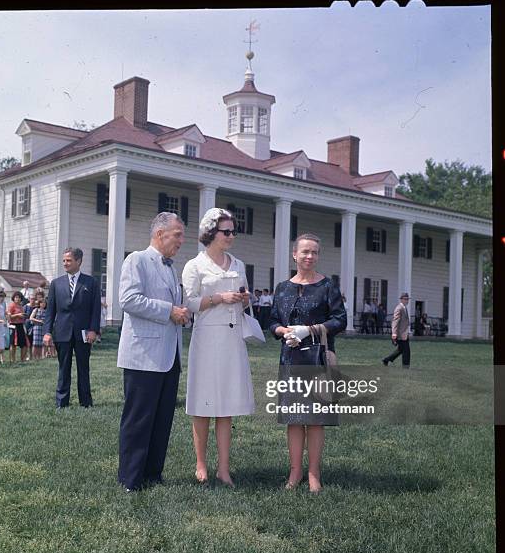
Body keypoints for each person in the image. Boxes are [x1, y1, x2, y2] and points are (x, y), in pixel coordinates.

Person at [269, 233, 347, 493]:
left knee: (314, 419)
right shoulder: (282, 288)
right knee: (293, 419)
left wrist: (309, 330)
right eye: (305, 252)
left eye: (314, 252)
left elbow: (340, 321)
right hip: (290, 358)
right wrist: (284, 332)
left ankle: (314, 473)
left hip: (317, 359)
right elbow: (271, 321)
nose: (309, 256)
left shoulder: (327, 286)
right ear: (294, 255)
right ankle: (295, 472)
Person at [182, 208, 254, 487]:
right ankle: (201, 464)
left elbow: (245, 297)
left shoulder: (238, 264)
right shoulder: (195, 265)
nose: (231, 236)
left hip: (232, 338)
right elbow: (189, 303)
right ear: (211, 233)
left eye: (233, 231)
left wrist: (242, 299)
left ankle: (224, 469)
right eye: (227, 232)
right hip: (207, 338)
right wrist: (219, 298)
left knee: (227, 406)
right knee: (203, 404)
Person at [117, 212, 188, 492]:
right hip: (143, 355)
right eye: (177, 234)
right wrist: (169, 311)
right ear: (160, 234)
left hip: (169, 356)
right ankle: (130, 479)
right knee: (139, 419)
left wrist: (181, 314)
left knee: (162, 419)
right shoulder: (136, 260)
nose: (182, 240)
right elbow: (129, 300)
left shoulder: (170, 268)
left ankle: (153, 475)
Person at [43, 248, 101, 408]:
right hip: (62, 333)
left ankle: (86, 402)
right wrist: (47, 332)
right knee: (63, 369)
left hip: (84, 334)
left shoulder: (91, 282)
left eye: (68, 260)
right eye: (64, 260)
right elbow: (50, 311)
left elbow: (96, 310)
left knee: (83, 368)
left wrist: (93, 330)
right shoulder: (56, 283)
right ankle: (62, 402)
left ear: (79, 261)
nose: (65, 263)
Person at [382, 292, 411, 367]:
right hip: (400, 334)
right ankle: (406, 366)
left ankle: (386, 360)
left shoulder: (404, 308)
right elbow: (395, 321)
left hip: (404, 334)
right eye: (405, 299)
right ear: (401, 299)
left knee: (400, 350)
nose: (407, 301)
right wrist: (394, 333)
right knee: (406, 350)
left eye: (407, 299)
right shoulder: (399, 308)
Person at [7, 291, 28, 363]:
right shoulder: (11, 305)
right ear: (13, 298)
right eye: (16, 297)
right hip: (13, 326)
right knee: (13, 344)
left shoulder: (21, 306)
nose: (18, 299)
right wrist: (17, 315)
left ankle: (22, 359)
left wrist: (23, 316)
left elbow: (21, 315)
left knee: (24, 344)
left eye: (19, 297)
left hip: (20, 325)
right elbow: (9, 317)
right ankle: (13, 360)